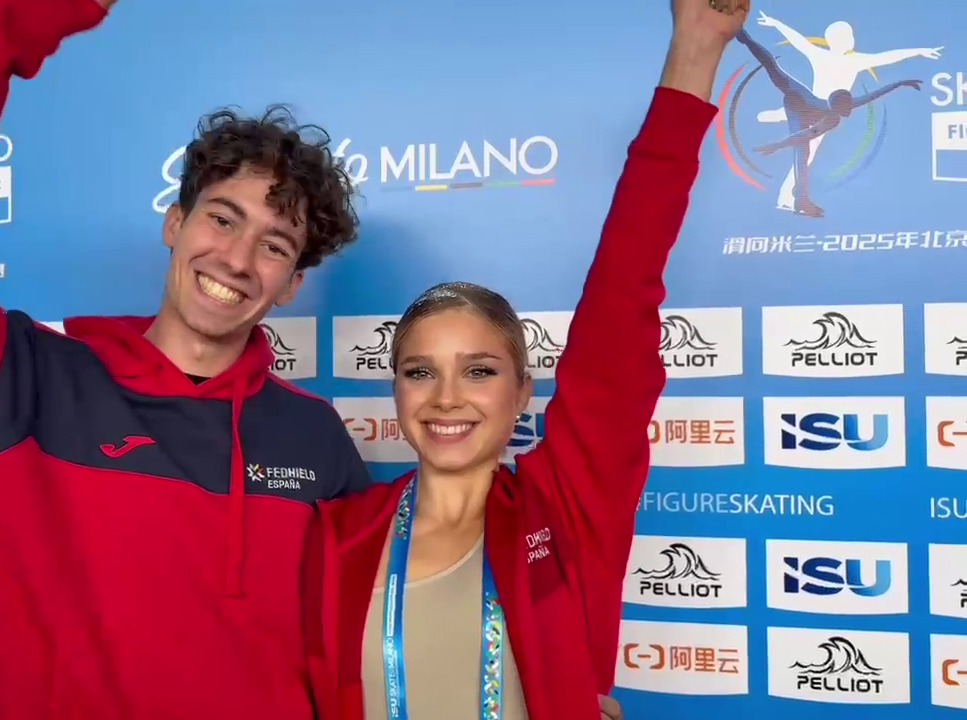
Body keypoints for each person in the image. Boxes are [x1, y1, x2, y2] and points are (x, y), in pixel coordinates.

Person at [0, 1, 628, 719]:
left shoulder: (315, 441)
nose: (237, 259)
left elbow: (386, 635)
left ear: (291, 284)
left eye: (274, 244)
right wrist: (19, 15)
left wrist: (552, 690)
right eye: (222, 218)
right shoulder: (21, 381)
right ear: (174, 224)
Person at [299, 1, 747, 718]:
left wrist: (695, 50)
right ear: (396, 389)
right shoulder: (337, 537)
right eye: (420, 371)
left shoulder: (565, 510)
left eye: (479, 370)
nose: (447, 396)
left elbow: (623, 287)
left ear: (521, 391)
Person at [750, 12, 941, 213]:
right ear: (836, 39)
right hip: (815, 111)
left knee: (803, 145)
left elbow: (886, 58)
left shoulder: (850, 59)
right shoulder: (829, 56)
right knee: (806, 153)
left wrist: (919, 51)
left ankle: (780, 116)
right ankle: (785, 196)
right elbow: (798, 41)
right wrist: (776, 23)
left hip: (814, 108)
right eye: (845, 36)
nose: (848, 40)